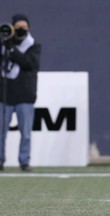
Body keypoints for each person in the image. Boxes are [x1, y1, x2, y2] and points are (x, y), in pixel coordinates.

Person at [0, 14, 41, 171]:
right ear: (12, 28)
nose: (21, 31)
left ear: (29, 28)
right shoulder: (3, 44)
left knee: (25, 133)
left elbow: (28, 63)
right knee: (0, 132)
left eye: (24, 27)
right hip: (4, 95)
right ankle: (0, 161)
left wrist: (11, 48)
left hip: (25, 95)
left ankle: (24, 161)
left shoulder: (34, 46)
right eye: (17, 28)